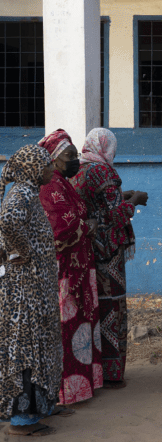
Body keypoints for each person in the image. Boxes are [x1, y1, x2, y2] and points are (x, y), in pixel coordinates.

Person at [72, 128, 149, 388]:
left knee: (95, 308)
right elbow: (113, 215)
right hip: (109, 252)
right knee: (113, 309)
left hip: (88, 249)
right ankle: (113, 373)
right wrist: (135, 200)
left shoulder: (79, 171)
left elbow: (96, 206)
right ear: (108, 147)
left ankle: (96, 371)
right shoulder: (105, 172)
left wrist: (122, 198)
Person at [38, 129, 103, 406]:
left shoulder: (63, 183)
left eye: (76, 153)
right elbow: (58, 230)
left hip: (80, 266)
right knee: (67, 329)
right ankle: (65, 391)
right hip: (64, 271)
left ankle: (83, 385)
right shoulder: (49, 188)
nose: (75, 159)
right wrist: (86, 228)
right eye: (69, 155)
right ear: (53, 160)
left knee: (81, 327)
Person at [0, 145, 61, 436]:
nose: (52, 168)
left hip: (35, 287)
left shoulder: (28, 192)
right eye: (47, 163)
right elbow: (8, 221)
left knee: (37, 346)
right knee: (26, 349)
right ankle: (22, 421)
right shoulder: (21, 192)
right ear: (33, 168)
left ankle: (37, 409)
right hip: (25, 291)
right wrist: (20, 250)